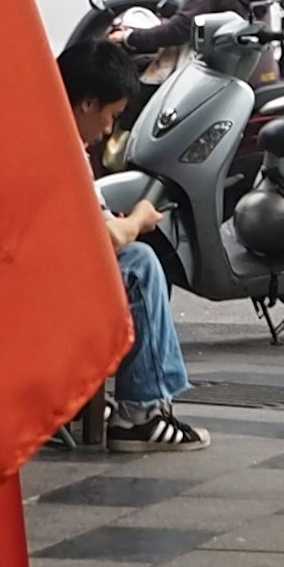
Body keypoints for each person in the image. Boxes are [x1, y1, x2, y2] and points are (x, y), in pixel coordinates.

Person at [62, 57, 205, 449]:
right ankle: (141, 413)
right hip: (37, 292)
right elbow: (102, 240)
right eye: (111, 115)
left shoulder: (37, 134)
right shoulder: (58, 149)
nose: (108, 128)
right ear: (88, 103)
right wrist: (139, 219)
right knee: (138, 265)